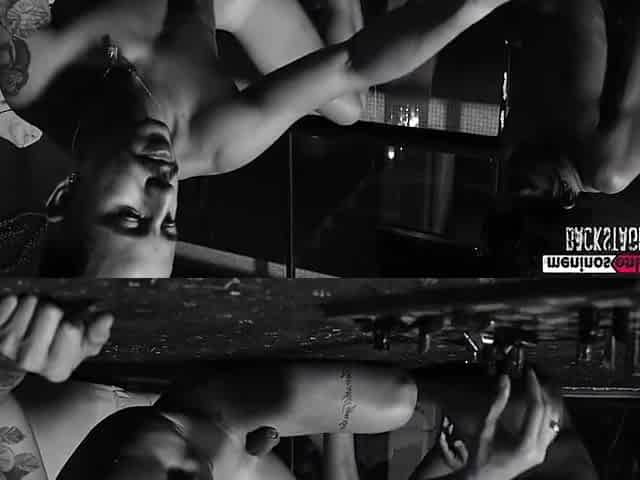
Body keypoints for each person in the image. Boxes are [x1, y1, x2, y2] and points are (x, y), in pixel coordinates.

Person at [0, 0, 512, 277]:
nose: (163, 189)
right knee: (347, 106)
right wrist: (474, 6)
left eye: (132, 216)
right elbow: (353, 62)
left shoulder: (32, 63)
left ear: (65, 197)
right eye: (170, 222)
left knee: (344, 107)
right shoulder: (214, 140)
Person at [1, 292, 588, 480]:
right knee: (395, 403)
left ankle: (469, 397)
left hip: (192, 419)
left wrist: (7, 362)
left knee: (395, 402)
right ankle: (475, 401)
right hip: (233, 443)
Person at [504, 0, 640, 206]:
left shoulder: (546, 144)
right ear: (564, 192)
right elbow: (633, 98)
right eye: (527, 184)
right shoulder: (607, 172)